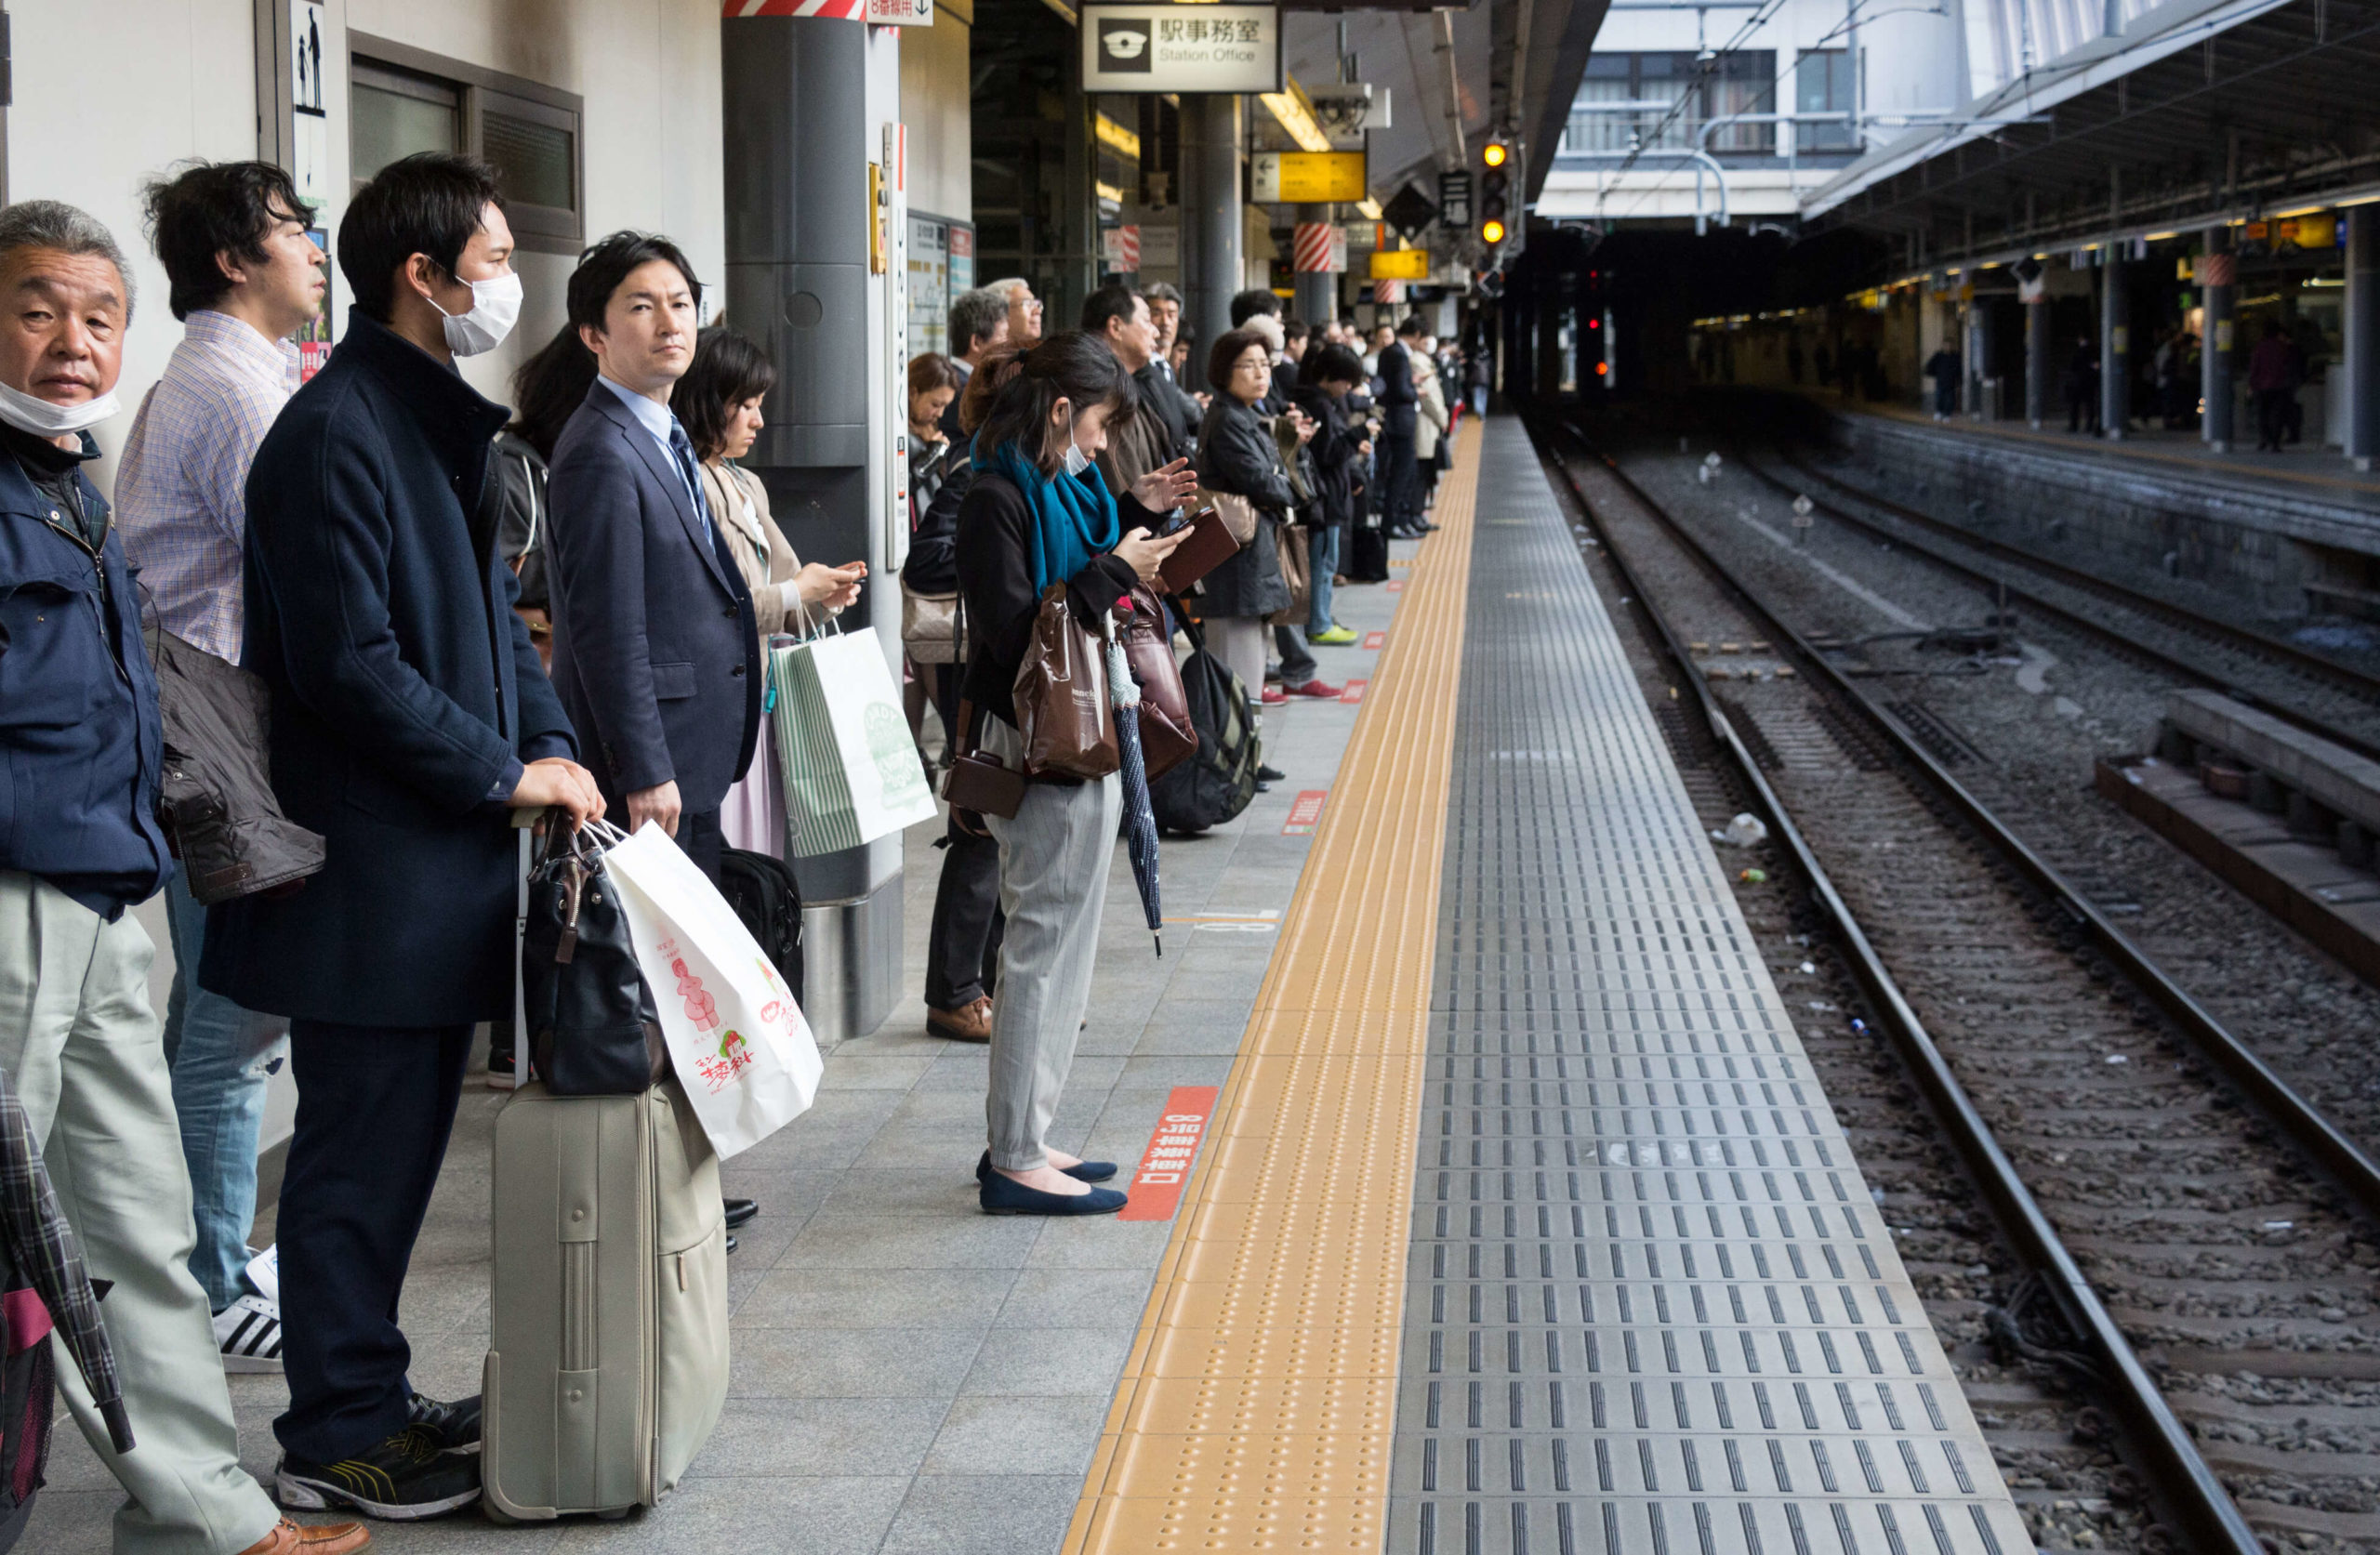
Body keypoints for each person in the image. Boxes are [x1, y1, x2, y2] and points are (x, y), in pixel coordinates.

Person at [210, 152, 602, 1521]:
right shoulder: (333, 435)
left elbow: (495, 625)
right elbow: (349, 669)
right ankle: (335, 1430)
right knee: (356, 1166)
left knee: (395, 1158)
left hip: (430, 873)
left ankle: (367, 1388)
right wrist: (506, 774)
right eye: (493, 260)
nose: (508, 282)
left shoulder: (428, 424)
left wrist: (547, 740)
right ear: (422, 278)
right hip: (370, 876)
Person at [0, 199, 368, 1555]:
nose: (74, 343)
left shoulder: (66, 482)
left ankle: (208, 1510)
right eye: (39, 309)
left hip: (103, 890)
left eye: (99, 317)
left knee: (136, 1223)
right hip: (15, 895)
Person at [113, 159, 324, 1375]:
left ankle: (211, 1258)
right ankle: (210, 1269)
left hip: (201, 723)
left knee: (220, 1008)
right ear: (236, 257)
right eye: (293, 229)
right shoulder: (234, 387)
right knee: (233, 1019)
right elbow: (298, 568)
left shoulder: (226, 375)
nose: (311, 249)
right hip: (222, 730)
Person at [953, 335, 1193, 1213]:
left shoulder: (1057, 486)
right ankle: (1014, 1154)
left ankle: (1031, 1131)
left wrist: (1136, 510)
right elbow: (1021, 633)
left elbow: (1082, 556)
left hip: (1090, 732)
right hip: (1042, 740)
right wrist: (1114, 572)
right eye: (1097, 426)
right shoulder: (994, 497)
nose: (1101, 446)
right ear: (1059, 412)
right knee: (1042, 948)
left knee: (1068, 943)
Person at [545, 231, 757, 887]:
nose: (670, 323)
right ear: (593, 334)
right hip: (651, 774)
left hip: (690, 754)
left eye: (682, 303)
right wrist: (644, 769)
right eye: (641, 307)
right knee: (653, 976)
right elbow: (606, 628)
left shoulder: (660, 431)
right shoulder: (600, 450)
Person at [678, 326, 866, 863]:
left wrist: (816, 598)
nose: (759, 420)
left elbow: (769, 594)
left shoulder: (744, 483)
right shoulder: (690, 482)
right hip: (723, 707)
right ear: (711, 402)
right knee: (734, 856)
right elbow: (712, 607)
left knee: (760, 855)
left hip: (760, 700)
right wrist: (794, 591)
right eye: (747, 405)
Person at [906, 362, 1007, 1043]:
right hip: (986, 675)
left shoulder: (1032, 476)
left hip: (1018, 675)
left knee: (1003, 836)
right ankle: (956, 989)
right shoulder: (978, 476)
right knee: (979, 828)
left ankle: (991, 982)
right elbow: (926, 562)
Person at [1197, 328, 1307, 705]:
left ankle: (1246, 760)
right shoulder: (1228, 419)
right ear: (1224, 370)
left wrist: (1282, 479)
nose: (1262, 373)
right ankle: (1234, 761)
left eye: (1266, 364)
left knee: (1248, 666)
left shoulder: (1243, 414)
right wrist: (1286, 487)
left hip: (1248, 555)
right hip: (1235, 560)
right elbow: (1263, 481)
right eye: (1249, 365)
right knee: (1235, 673)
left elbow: (1275, 474)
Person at [1293, 343, 1368, 647]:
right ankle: (1319, 623)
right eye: (1345, 380)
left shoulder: (1315, 400)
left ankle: (1321, 617)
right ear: (1329, 376)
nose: (1348, 388)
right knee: (1323, 564)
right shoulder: (1321, 404)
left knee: (1323, 562)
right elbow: (1327, 454)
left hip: (1326, 496)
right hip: (1325, 497)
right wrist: (1358, 434)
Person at [1375, 315, 1425, 537]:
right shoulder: (1399, 354)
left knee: (1403, 472)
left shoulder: (1389, 352)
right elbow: (1401, 390)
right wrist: (1416, 391)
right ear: (1416, 335)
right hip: (1400, 422)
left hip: (1392, 421)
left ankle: (1401, 521)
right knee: (1402, 474)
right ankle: (1393, 522)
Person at [942, 286, 1009, 441]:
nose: (1008, 344)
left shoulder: (955, 380)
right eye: (1003, 335)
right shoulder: (965, 391)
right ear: (976, 342)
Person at [1412, 336, 1450, 513]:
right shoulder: (1418, 362)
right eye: (1425, 340)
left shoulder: (1424, 361)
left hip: (1429, 423)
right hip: (1426, 423)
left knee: (1427, 471)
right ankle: (1416, 512)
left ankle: (1418, 512)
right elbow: (1428, 397)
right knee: (1423, 471)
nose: (1429, 345)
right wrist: (1442, 418)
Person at [2249, 317, 2295, 453]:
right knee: (2277, 415)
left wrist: (2252, 384)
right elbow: (2288, 366)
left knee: (2262, 414)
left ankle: (2264, 439)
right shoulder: (2283, 347)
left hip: (2261, 386)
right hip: (2279, 386)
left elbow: (2254, 367)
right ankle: (2275, 443)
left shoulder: (2259, 347)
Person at [983, 275, 1042, 352]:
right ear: (998, 313)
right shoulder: (983, 361)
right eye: (1027, 304)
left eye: (1036, 304)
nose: (1037, 311)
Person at [2062, 336, 2099, 435]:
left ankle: (2074, 425)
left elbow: (2073, 366)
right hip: (2090, 381)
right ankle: (2089, 425)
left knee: (2075, 404)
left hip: (2079, 381)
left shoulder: (2078, 351)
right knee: (2089, 404)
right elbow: (2096, 366)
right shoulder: (2094, 350)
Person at [1924, 342, 1960, 420]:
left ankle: (1947, 414)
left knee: (1950, 399)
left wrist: (1958, 381)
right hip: (1941, 380)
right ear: (1943, 346)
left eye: (1949, 346)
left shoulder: (1955, 356)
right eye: (1946, 346)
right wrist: (1934, 374)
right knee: (1939, 398)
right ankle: (1939, 412)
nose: (1948, 347)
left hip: (1951, 381)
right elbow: (1930, 365)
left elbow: (1958, 369)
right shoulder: (1938, 356)